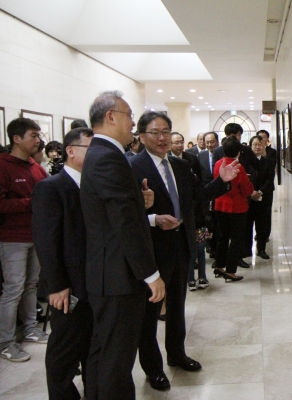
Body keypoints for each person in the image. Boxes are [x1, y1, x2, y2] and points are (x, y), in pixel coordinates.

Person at [130, 111, 239, 391]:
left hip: (182, 245)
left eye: (166, 131)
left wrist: (222, 181)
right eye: (156, 132)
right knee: (150, 314)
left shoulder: (179, 165)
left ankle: (177, 354)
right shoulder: (132, 168)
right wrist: (151, 218)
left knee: (177, 307)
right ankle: (153, 369)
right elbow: (124, 217)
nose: (163, 137)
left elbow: (197, 195)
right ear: (141, 136)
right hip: (151, 250)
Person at [80, 90, 165, 400]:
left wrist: (139, 202)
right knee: (116, 359)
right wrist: (151, 274)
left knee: (104, 353)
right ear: (111, 117)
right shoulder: (107, 157)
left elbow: (118, 210)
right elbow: (124, 223)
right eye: (129, 114)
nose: (132, 121)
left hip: (109, 274)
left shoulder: (104, 154)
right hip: (117, 276)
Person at [32, 127, 95, 400]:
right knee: (64, 352)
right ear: (71, 151)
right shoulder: (51, 187)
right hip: (68, 287)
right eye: (90, 150)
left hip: (95, 282)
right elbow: (46, 243)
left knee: (92, 349)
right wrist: (57, 286)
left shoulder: (94, 185)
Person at [0, 118, 49, 363]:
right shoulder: (3, 166)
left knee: (31, 285)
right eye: (33, 135)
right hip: (13, 239)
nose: (37, 140)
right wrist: (31, 203)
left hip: (36, 235)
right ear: (16, 138)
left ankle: (30, 327)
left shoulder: (34, 166)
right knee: (13, 289)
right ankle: (6, 341)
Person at [213, 137, 254, 282]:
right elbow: (245, 189)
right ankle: (230, 271)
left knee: (222, 236)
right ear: (238, 152)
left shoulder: (218, 163)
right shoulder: (238, 166)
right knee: (236, 239)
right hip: (236, 206)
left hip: (220, 204)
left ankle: (219, 266)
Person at [245, 136, 275, 260]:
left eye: (259, 144)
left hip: (264, 197)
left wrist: (260, 192)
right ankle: (247, 250)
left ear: (264, 146)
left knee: (262, 225)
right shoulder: (245, 161)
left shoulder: (268, 160)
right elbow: (243, 179)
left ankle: (261, 249)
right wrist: (251, 192)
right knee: (247, 225)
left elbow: (269, 179)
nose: (257, 147)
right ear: (250, 146)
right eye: (254, 144)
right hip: (248, 197)